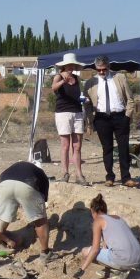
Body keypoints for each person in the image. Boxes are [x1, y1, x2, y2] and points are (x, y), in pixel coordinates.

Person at [84, 55, 139, 188]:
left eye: (104, 69)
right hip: (102, 118)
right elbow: (87, 104)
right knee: (107, 148)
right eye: (99, 70)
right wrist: (90, 121)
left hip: (120, 116)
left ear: (108, 66)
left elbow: (130, 99)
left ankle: (126, 177)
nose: (102, 72)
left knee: (123, 148)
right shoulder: (91, 83)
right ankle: (110, 177)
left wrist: (127, 116)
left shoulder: (119, 78)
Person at [0, 161, 56, 268]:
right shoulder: (42, 176)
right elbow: (43, 199)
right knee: (40, 220)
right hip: (27, 184)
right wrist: (37, 214)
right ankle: (45, 253)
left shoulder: (12, 169)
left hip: (4, 184)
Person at [73, 193, 140, 279]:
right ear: (105, 209)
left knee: (85, 251)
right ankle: (116, 269)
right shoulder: (117, 217)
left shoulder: (98, 221)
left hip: (124, 260)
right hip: (138, 259)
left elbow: (95, 249)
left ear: (92, 211)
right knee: (107, 249)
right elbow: (108, 244)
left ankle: (120, 270)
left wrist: (81, 269)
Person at [51, 52, 88, 185]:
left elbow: (77, 95)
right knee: (65, 145)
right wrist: (62, 81)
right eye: (68, 65)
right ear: (64, 66)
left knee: (77, 146)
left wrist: (84, 100)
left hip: (77, 112)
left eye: (72, 65)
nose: (71, 67)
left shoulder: (76, 79)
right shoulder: (58, 76)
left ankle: (79, 175)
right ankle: (65, 173)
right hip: (63, 113)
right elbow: (53, 89)